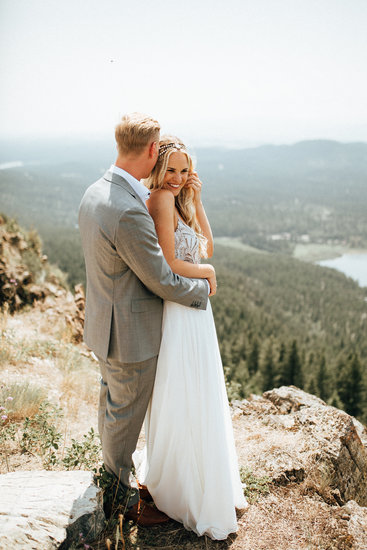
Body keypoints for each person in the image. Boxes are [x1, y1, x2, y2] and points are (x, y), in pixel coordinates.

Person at [78, 114, 210, 526]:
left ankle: (115, 484)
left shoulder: (96, 191)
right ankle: (121, 503)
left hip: (105, 323)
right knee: (123, 418)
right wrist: (203, 290)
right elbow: (163, 278)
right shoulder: (127, 209)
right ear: (153, 151)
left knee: (112, 409)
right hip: (130, 333)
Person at [136, 136, 248, 539]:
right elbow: (170, 261)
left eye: (185, 170)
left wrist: (197, 201)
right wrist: (209, 274)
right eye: (172, 170)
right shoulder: (161, 200)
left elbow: (208, 247)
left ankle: (204, 478)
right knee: (186, 388)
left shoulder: (180, 200)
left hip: (196, 308)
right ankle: (183, 485)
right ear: (157, 168)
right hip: (181, 307)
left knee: (199, 388)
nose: (179, 178)